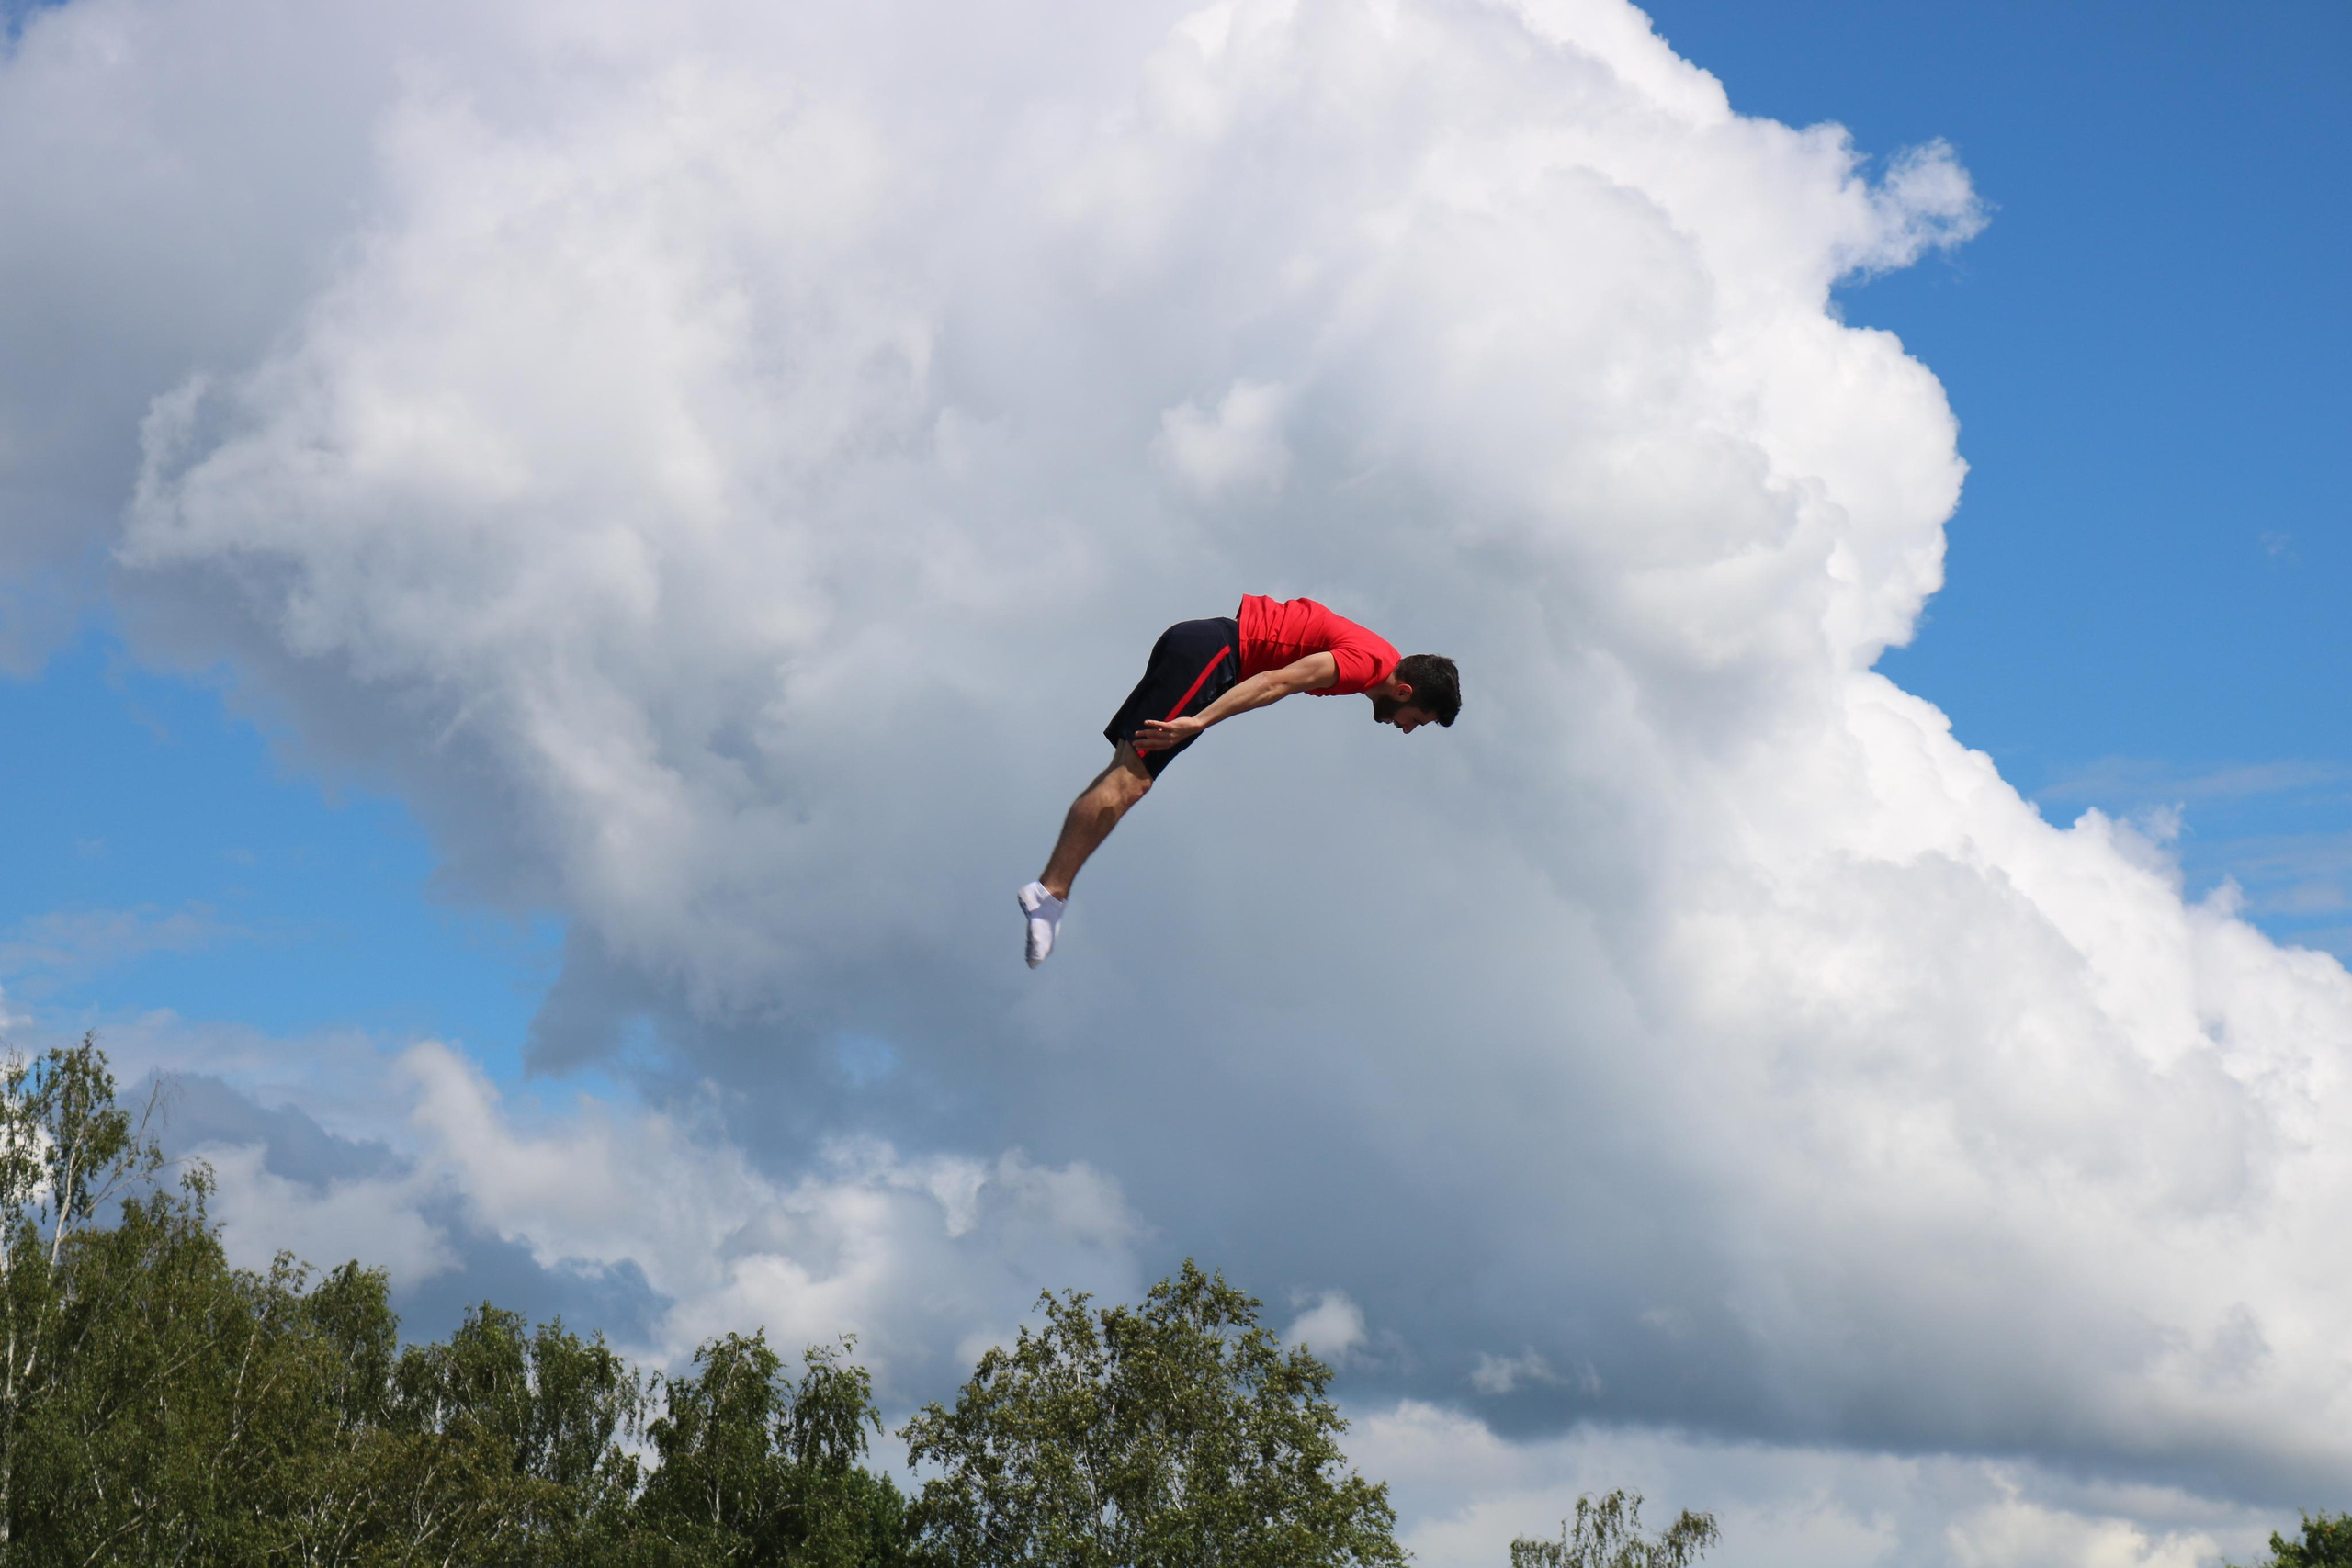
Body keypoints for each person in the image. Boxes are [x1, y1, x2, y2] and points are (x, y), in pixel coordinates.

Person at [1018, 594, 1461, 966]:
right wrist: (1200, 721)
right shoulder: (1367, 663)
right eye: (1415, 721)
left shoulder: (1374, 657)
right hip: (1216, 653)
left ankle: (1051, 893)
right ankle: (1050, 894)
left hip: (1206, 647)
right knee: (1131, 782)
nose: (1406, 728)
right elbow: (1275, 681)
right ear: (1404, 692)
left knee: (1128, 778)